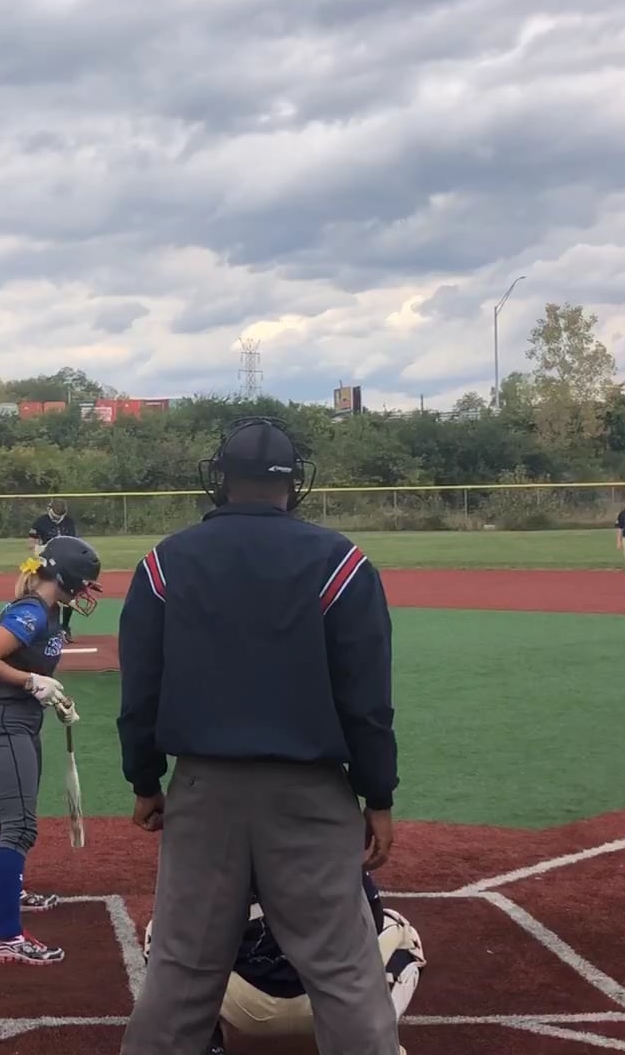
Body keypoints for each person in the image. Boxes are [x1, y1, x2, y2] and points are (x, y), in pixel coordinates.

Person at [116, 416, 401, 1055]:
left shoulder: (165, 562)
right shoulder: (342, 562)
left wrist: (145, 779)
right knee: (343, 972)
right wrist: (378, 795)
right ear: (294, 483)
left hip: (202, 790)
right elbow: (367, 702)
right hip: (311, 794)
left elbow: (140, 693)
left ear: (220, 479)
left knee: (182, 972)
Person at [0, 535, 103, 966]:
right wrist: (30, 682)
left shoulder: (49, 610)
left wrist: (54, 698)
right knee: (20, 826)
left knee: (16, 817)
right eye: (84, 583)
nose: (86, 592)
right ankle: (8, 937)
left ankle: (13, 891)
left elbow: (32, 667)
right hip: (6, 723)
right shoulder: (30, 613)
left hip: (22, 721)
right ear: (66, 577)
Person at [142, 871, 425, 1055]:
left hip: (242, 1004)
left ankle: (202, 1043)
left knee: (162, 933)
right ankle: (367, 1043)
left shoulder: (215, 849)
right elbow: (372, 920)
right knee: (401, 934)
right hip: (330, 1000)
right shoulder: (328, 841)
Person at [26, 500, 80, 640]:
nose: (57, 519)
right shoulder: (41, 522)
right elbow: (31, 543)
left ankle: (65, 627)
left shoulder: (69, 522)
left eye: (59, 517)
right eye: (55, 516)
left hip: (66, 563)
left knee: (68, 594)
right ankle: (51, 627)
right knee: (50, 594)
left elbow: (75, 541)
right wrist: (42, 549)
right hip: (48, 562)